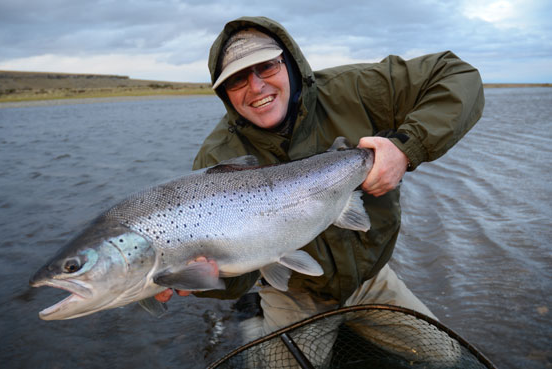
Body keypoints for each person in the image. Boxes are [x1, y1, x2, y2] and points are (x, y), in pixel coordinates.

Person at [155, 15, 484, 353]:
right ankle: (258, 315)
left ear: (289, 64)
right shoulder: (217, 159)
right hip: (292, 293)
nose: (256, 87)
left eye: (266, 67)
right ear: (224, 92)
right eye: (237, 79)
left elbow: (457, 75)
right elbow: (237, 277)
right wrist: (209, 278)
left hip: (370, 280)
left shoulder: (354, 89)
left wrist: (405, 148)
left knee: (446, 356)